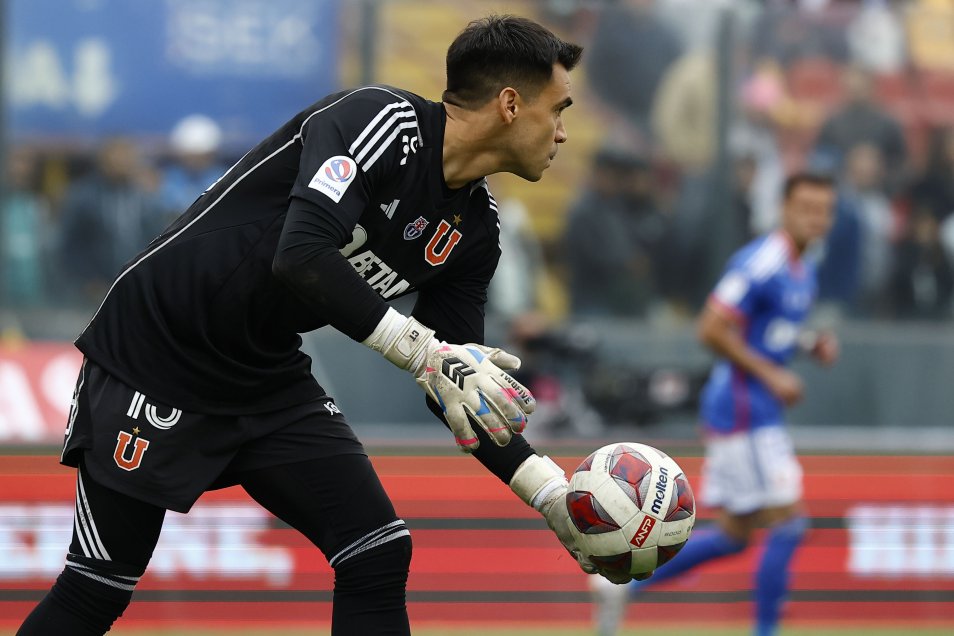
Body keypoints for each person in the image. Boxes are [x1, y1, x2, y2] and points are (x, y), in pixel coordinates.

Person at [17, 15, 628, 636]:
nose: (563, 133)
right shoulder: (380, 122)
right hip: (156, 345)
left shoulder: (477, 231)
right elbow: (301, 256)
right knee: (96, 588)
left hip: (262, 369)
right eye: (558, 109)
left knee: (377, 552)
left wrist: (549, 494)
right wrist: (421, 351)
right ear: (508, 103)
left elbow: (454, 382)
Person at [591, 172, 841, 636]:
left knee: (734, 535)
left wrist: (808, 345)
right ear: (784, 210)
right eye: (806, 207)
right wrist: (773, 375)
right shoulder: (762, 261)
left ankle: (620, 588)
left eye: (824, 209)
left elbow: (764, 330)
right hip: (746, 409)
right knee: (789, 524)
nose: (815, 218)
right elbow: (710, 327)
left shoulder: (802, 267)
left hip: (750, 408)